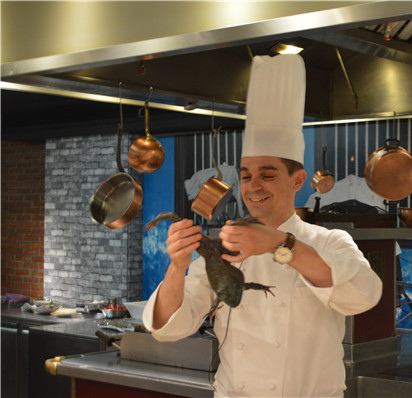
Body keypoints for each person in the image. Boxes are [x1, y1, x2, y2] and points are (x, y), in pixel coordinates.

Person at [143, 54, 383, 397]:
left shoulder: (329, 241)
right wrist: (177, 268)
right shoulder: (226, 248)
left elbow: (363, 294)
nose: (254, 186)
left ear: (298, 179)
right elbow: (169, 328)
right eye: (246, 176)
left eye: (268, 175)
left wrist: (279, 244)